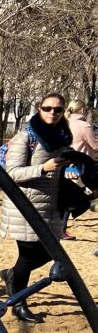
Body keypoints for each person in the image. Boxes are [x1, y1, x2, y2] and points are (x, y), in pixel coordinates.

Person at [0, 93, 72, 324]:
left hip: (50, 205)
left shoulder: (63, 136)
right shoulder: (26, 137)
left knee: (50, 251)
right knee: (29, 256)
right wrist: (43, 168)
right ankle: (19, 304)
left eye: (58, 109)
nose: (52, 113)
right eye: (48, 108)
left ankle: (12, 277)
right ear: (39, 108)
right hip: (25, 206)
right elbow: (11, 173)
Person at [64, 100, 97, 240]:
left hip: (67, 162)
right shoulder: (84, 126)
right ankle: (89, 200)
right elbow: (95, 146)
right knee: (76, 196)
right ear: (82, 109)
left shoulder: (65, 123)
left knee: (68, 195)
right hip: (83, 164)